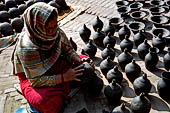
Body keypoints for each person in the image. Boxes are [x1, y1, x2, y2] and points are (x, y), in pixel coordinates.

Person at [8, 2, 93, 113]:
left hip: (55, 63)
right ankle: (65, 85)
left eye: (55, 25)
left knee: (87, 66)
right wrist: (64, 77)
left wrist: (77, 59)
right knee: (48, 103)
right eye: (49, 29)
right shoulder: (27, 48)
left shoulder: (56, 31)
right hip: (33, 77)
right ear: (37, 27)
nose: (53, 31)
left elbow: (68, 50)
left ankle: (67, 83)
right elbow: (35, 81)